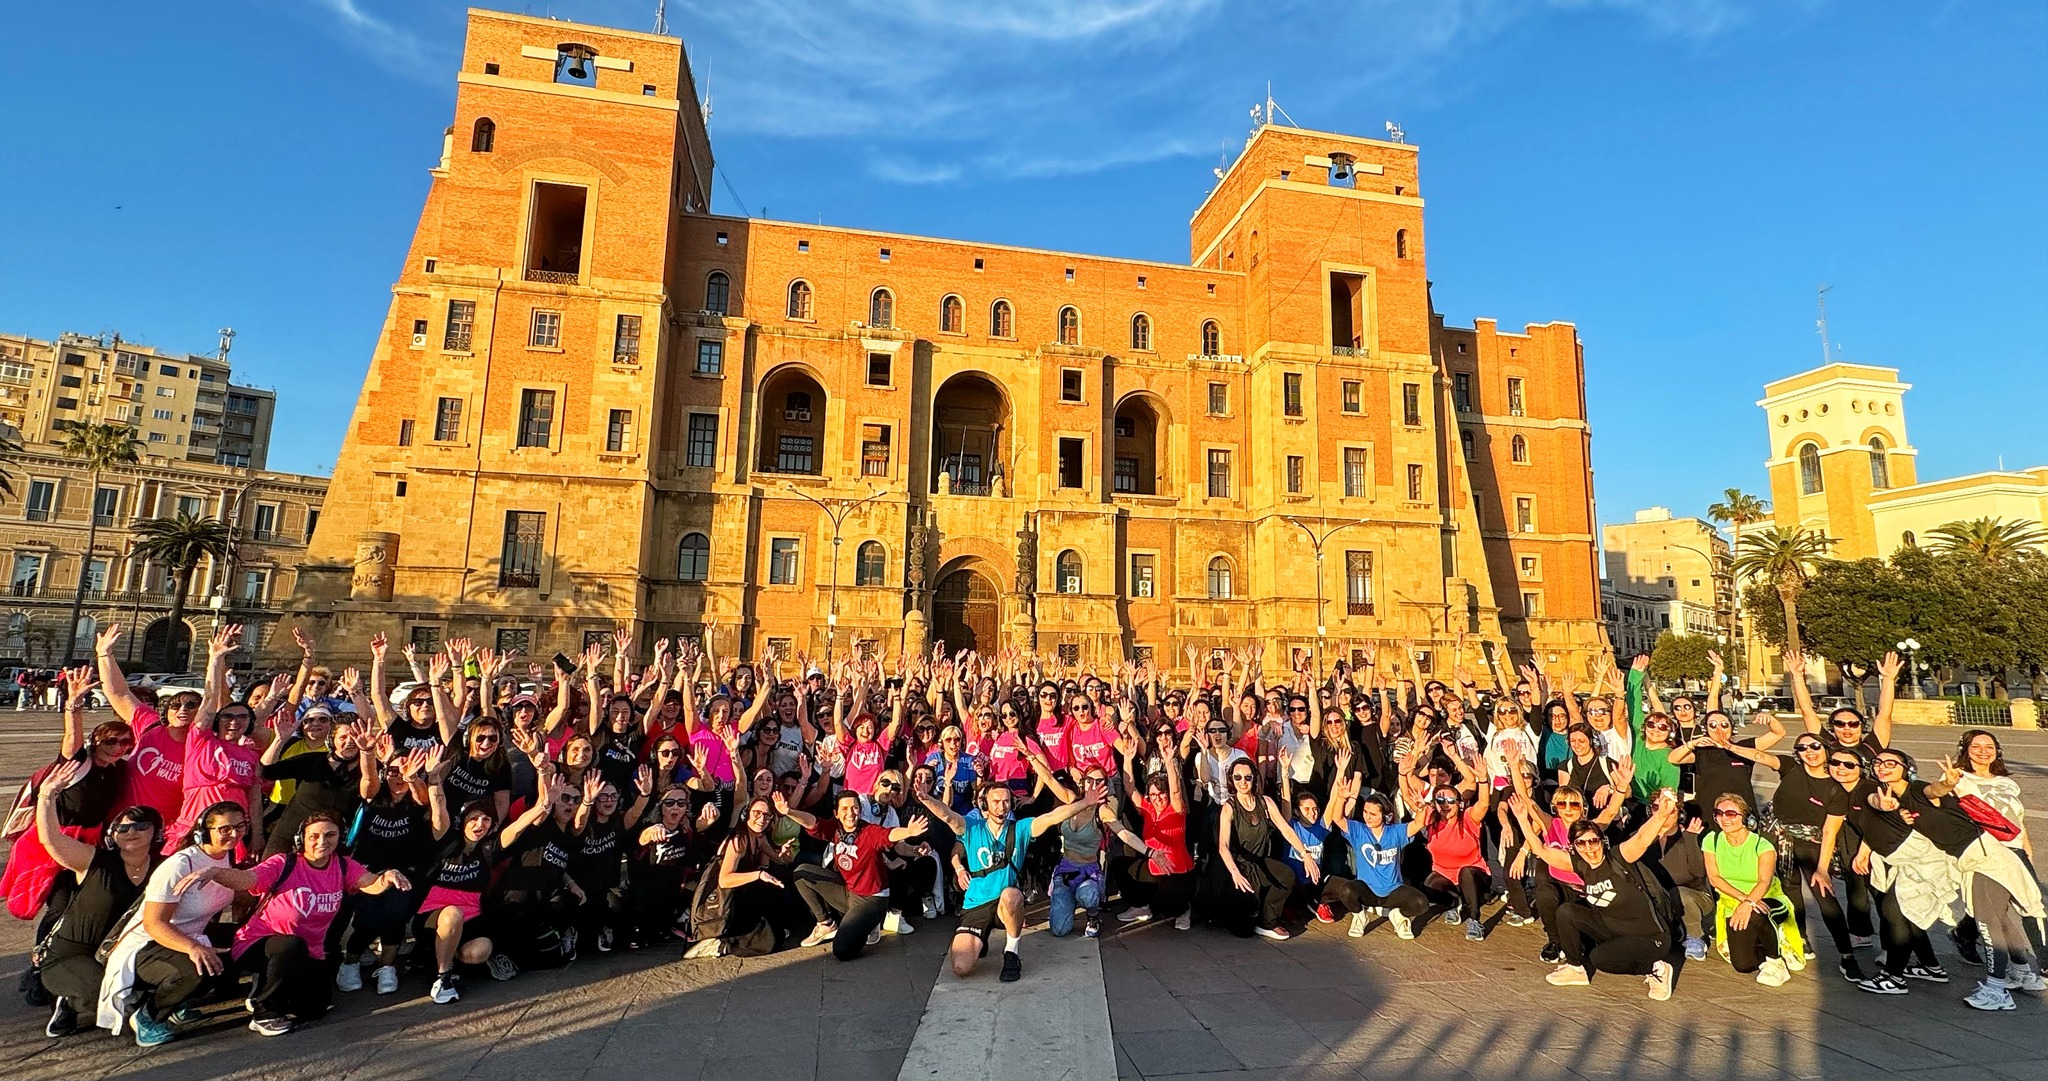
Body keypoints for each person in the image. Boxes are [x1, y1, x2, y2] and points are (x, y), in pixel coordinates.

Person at [185, 810, 411, 1035]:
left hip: (309, 951)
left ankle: (267, 988)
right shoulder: (284, 863)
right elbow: (247, 879)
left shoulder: (343, 866)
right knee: (289, 945)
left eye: (330, 835)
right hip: (259, 943)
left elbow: (370, 884)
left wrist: (387, 876)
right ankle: (264, 1014)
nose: (322, 841)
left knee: (314, 1009)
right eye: (314, 836)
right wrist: (215, 872)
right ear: (301, 839)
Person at [917, 775, 1102, 982]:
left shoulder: (1020, 829)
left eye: (1006, 801)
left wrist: (1085, 802)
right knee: (961, 967)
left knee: (1011, 895)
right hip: (976, 904)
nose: (1001, 807)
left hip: (1005, 904)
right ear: (984, 804)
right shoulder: (972, 827)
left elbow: (1052, 817)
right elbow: (948, 816)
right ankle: (981, 937)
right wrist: (926, 799)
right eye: (995, 802)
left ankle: (1011, 952)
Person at [96, 801, 247, 1046]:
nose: (234, 834)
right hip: (147, 944)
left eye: (240, 826)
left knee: (246, 941)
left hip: (191, 933)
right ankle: (149, 1015)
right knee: (199, 967)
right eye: (225, 829)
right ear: (204, 831)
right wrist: (193, 947)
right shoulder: (180, 865)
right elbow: (154, 924)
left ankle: (178, 1001)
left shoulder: (225, 856)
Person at [31, 761, 160, 1038]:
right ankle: (67, 1001)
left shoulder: (162, 867)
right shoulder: (95, 861)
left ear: (156, 831)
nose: (131, 832)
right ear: (112, 835)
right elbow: (50, 839)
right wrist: (47, 796)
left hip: (119, 954)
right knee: (108, 996)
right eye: (122, 828)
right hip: (70, 955)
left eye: (140, 825)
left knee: (142, 989)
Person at [1515, 791, 1678, 1000]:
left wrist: (1661, 815)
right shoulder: (1581, 866)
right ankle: (1575, 968)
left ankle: (1656, 969)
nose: (1589, 848)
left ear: (1602, 841)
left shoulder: (1619, 857)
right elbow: (1541, 850)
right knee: (1567, 912)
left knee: (1601, 959)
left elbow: (1642, 838)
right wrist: (1522, 819)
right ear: (1574, 847)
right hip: (1613, 930)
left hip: (1649, 938)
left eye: (1593, 841)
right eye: (1581, 844)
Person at [1757, 731, 1878, 980]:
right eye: (1802, 748)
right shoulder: (1791, 768)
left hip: (1813, 846)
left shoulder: (1837, 788)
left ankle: (1847, 956)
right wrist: (1726, 744)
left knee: (1825, 898)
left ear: (1826, 750)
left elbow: (1829, 831)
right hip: (1779, 841)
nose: (1809, 751)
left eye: (1815, 746)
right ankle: (1799, 939)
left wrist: (1822, 869)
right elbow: (1760, 756)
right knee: (1791, 895)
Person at [793, 791, 931, 959]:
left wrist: (909, 832)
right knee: (802, 873)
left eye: (854, 807)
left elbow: (889, 835)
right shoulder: (835, 829)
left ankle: (868, 924)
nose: (850, 813)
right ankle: (826, 923)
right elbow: (812, 823)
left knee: (842, 951)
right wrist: (788, 811)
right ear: (836, 813)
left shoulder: (869, 832)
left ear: (860, 810)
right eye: (844, 809)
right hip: (848, 892)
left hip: (872, 900)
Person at [1701, 793, 1800, 986]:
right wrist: (1741, 899)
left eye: (1731, 813)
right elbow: (1714, 878)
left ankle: (1775, 960)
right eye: (1719, 813)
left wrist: (1748, 902)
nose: (1724, 818)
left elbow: (1764, 881)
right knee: (1743, 965)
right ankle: (1768, 940)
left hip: (1767, 898)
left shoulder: (1762, 845)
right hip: (1733, 901)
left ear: (1746, 817)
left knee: (1756, 912)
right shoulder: (1711, 840)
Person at [1216, 759, 1321, 941]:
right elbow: (1223, 846)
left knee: (1286, 876)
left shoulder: (1265, 802)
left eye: (1247, 777)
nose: (1243, 782)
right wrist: (1234, 872)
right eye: (1238, 777)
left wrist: (1306, 855)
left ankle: (1267, 921)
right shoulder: (1229, 807)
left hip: (1260, 861)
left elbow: (1286, 829)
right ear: (1232, 780)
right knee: (1244, 931)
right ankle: (1236, 913)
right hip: (1238, 866)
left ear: (1254, 779)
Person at [1323, 778, 1430, 940]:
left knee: (1421, 903)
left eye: (1373, 814)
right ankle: (1360, 916)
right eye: (1365, 812)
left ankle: (1398, 916)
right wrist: (1341, 798)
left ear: (1386, 815)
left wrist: (1421, 807)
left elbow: (1417, 824)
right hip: (1367, 890)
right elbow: (1338, 818)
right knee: (1347, 890)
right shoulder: (1359, 830)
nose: (1368, 817)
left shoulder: (1395, 832)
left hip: (1393, 890)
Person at [1115, 735, 1196, 931]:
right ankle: (1143, 907)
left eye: (1161, 794)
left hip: (1176, 871)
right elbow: (1129, 788)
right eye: (1153, 795)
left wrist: (1169, 762)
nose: (1158, 798)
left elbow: (1176, 792)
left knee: (1168, 903)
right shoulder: (1148, 808)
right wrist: (1127, 758)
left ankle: (1185, 910)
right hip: (1153, 867)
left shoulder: (1177, 809)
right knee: (1119, 865)